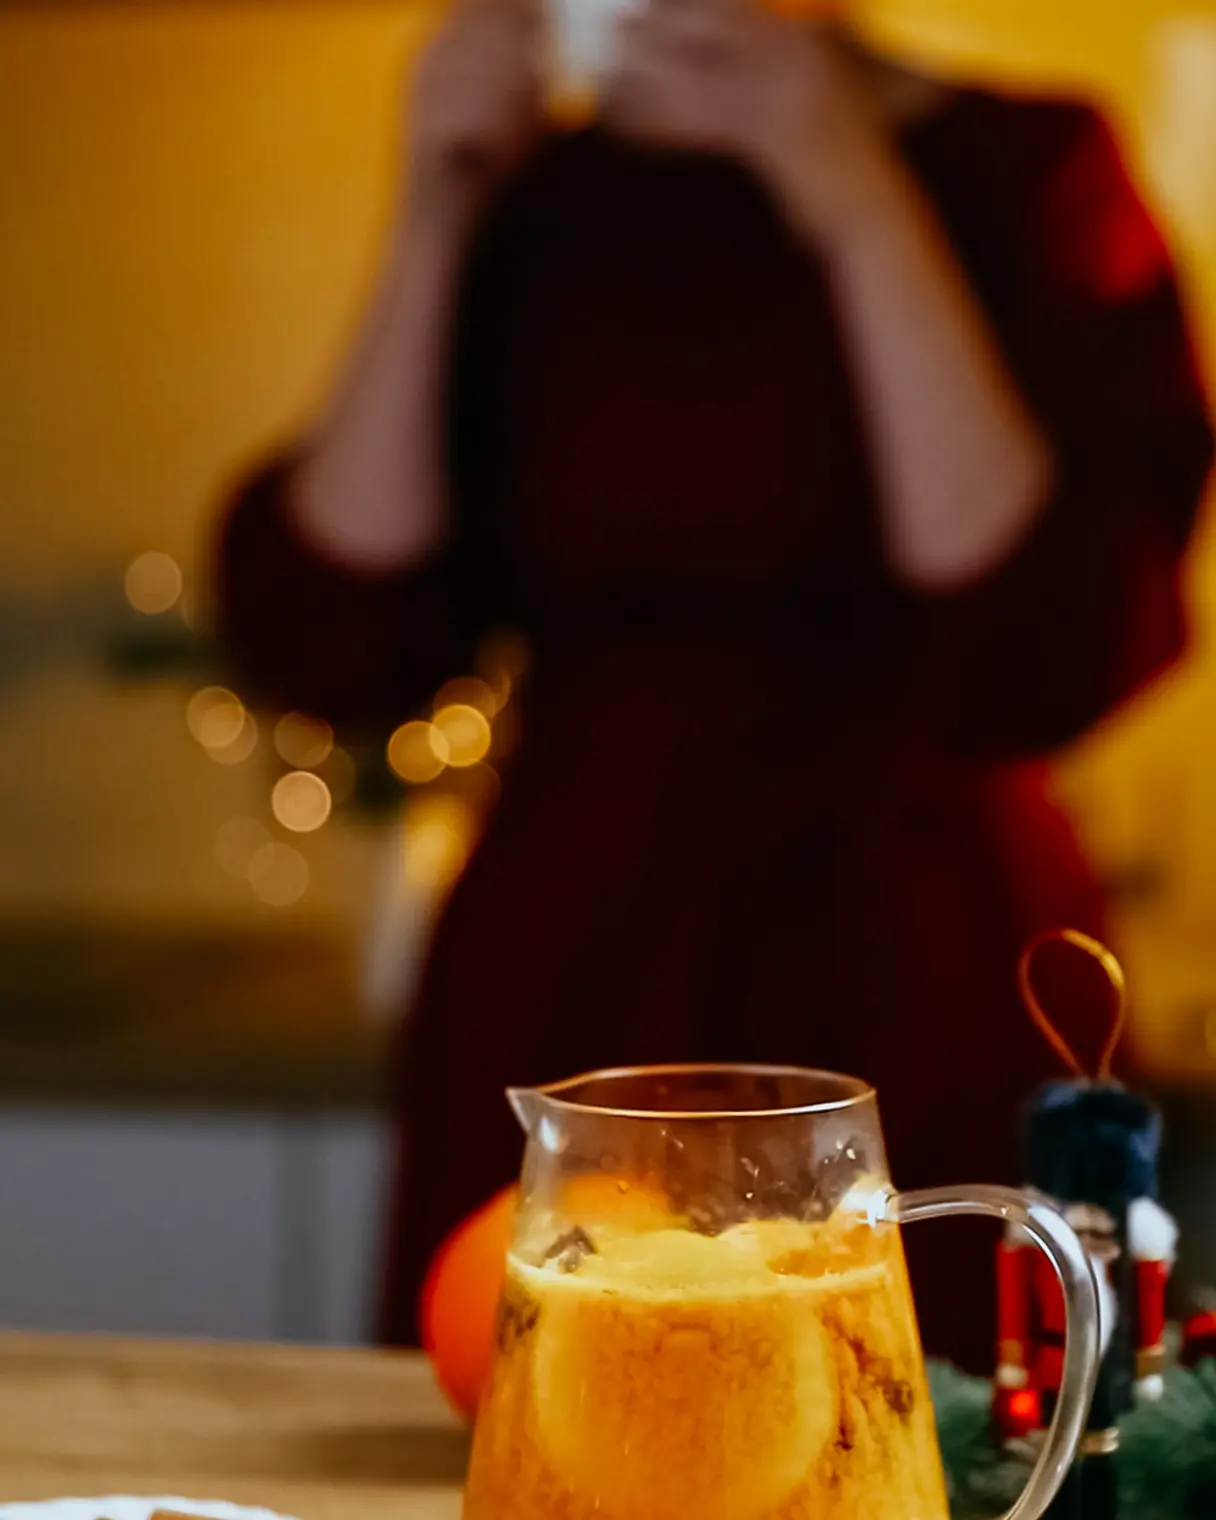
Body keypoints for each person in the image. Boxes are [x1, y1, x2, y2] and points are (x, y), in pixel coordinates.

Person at [216, 0, 1212, 1372]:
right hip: (575, 958)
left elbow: (1048, 638)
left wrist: (850, 189)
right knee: (542, 1418)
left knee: (920, 1426)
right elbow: (334, 632)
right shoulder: (538, 197)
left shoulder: (1031, 167)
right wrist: (439, 210)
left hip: (911, 959)